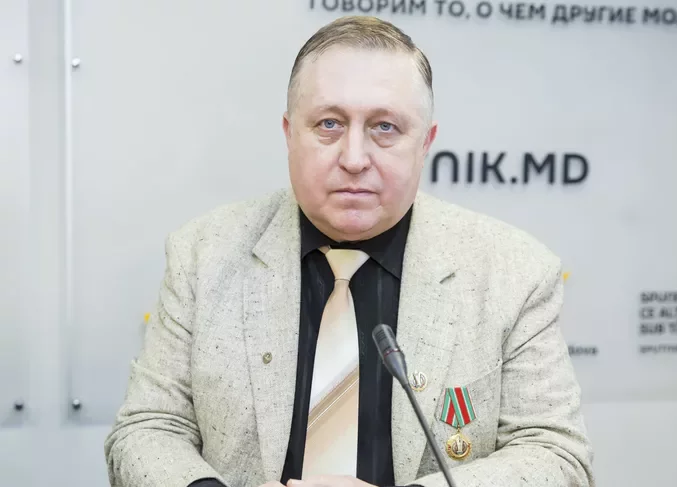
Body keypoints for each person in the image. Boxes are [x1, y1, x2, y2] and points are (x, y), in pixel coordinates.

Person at [104, 15, 594, 487]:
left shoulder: (514, 272)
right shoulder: (203, 254)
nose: (355, 159)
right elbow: (147, 429)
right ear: (289, 134)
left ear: (425, 143)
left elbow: (555, 454)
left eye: (385, 127)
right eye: (329, 124)